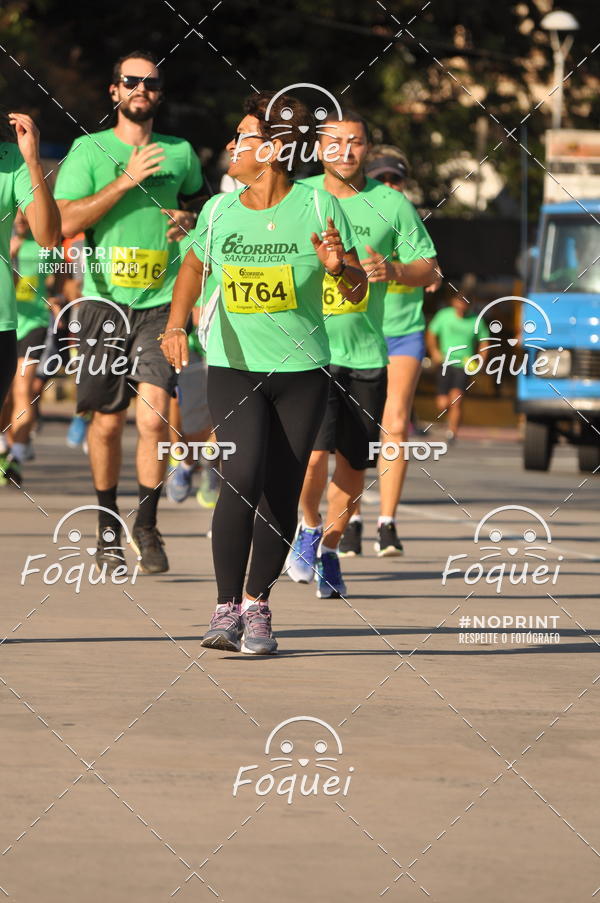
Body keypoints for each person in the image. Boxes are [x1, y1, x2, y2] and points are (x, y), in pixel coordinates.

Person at [160, 91, 366, 654]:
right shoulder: (218, 211)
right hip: (234, 366)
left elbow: (357, 288)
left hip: (303, 371)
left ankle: (257, 606)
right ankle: (225, 607)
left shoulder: (319, 207)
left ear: (272, 151)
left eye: (242, 137)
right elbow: (193, 265)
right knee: (241, 475)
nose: (232, 145)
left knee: (280, 490)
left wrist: (339, 267)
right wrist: (176, 324)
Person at [54, 50, 204, 575]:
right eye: (131, 81)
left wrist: (189, 219)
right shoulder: (89, 150)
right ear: (114, 91)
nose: (142, 88)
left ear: (159, 94)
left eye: (151, 82)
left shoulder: (181, 152)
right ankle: (107, 525)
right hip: (103, 305)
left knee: (154, 415)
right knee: (107, 423)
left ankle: (147, 524)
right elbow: (64, 221)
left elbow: (204, 210)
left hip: (161, 304)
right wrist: (124, 180)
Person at [286, 111, 437, 597]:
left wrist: (395, 270)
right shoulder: (296, 197)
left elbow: (430, 268)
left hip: (367, 353)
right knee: (312, 459)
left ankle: (330, 548)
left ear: (367, 149)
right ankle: (308, 528)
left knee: (352, 467)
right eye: (335, 142)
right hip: (308, 350)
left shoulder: (392, 204)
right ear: (317, 149)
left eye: (355, 141)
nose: (345, 151)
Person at [340, 148, 442, 557]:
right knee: (352, 433)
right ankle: (351, 519)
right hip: (360, 332)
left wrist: (418, 273)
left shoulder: (406, 218)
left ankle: (387, 522)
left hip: (403, 333)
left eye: (395, 179)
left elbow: (431, 266)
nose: (388, 186)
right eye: (380, 178)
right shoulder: (352, 214)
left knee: (395, 424)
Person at [0, 112, 61, 439]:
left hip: (4, 321)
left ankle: (16, 448)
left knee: (22, 391)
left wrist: (33, 162)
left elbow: (48, 237)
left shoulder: (12, 161)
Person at [1, 210, 63, 485]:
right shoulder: (5, 242)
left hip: (33, 323)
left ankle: (15, 455)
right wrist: (10, 258)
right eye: (16, 215)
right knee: (5, 393)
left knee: (23, 387)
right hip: (5, 321)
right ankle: (4, 443)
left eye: (25, 214)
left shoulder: (43, 244)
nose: (21, 220)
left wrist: (56, 296)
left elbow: (59, 274)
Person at [426, 291, 490, 440]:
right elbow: (431, 334)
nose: (461, 306)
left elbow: (484, 341)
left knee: (457, 399)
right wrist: (434, 351)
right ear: (454, 302)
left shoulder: (476, 320)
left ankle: (452, 431)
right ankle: (449, 417)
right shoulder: (443, 315)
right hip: (445, 362)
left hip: (464, 365)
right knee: (442, 403)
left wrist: (481, 359)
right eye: (459, 302)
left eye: (465, 303)